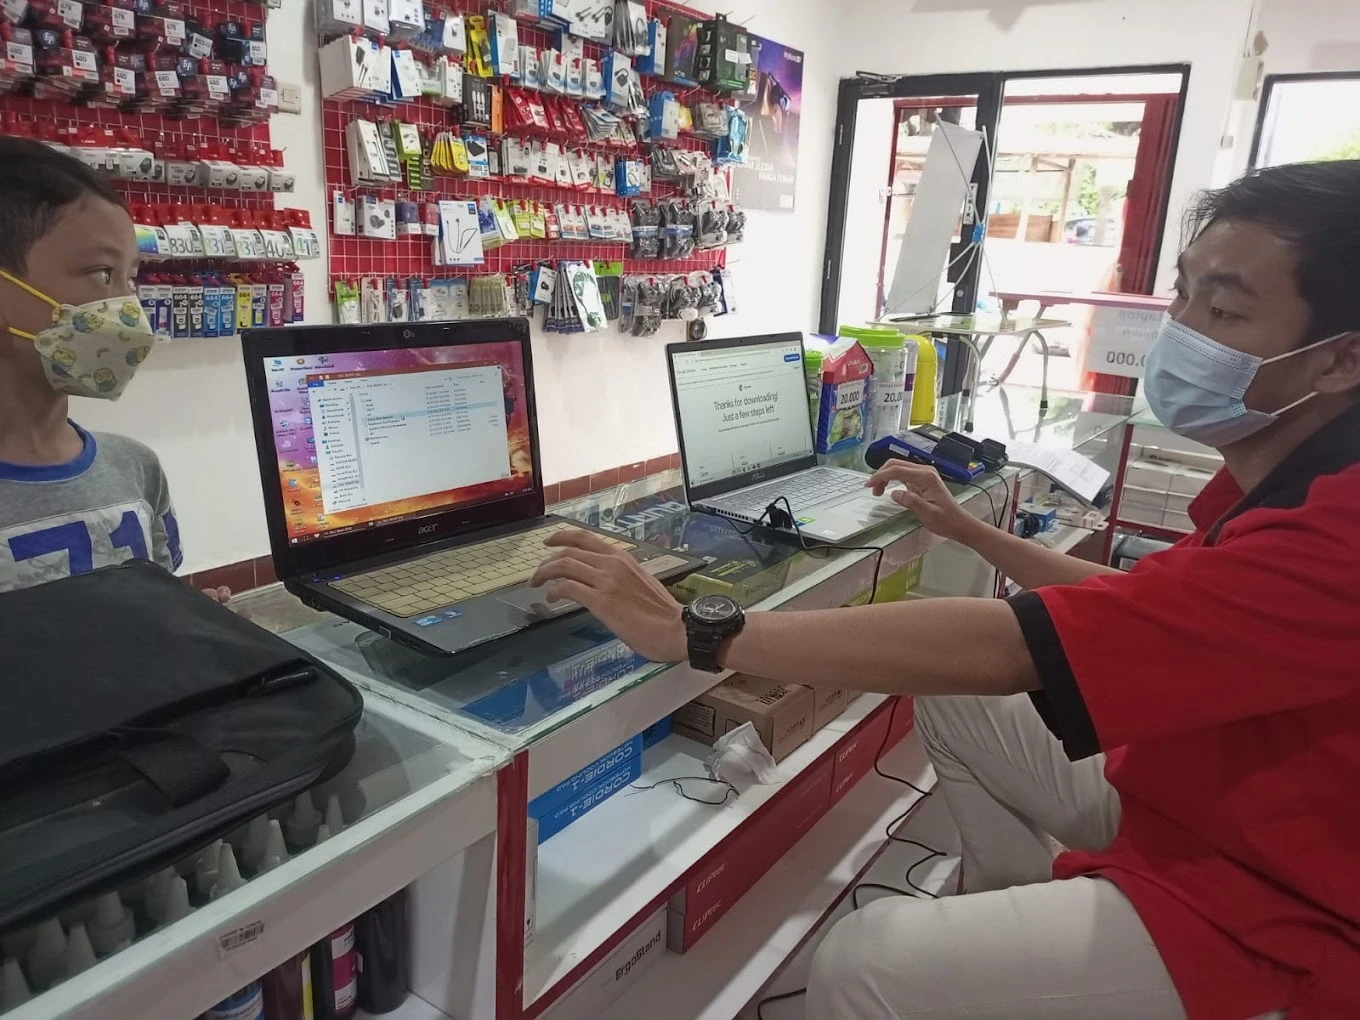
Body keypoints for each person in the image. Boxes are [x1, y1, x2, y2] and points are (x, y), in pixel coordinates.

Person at [531, 160, 1360, 1019]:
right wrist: (969, 530)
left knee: (866, 962)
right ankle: (1005, 923)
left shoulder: (1338, 535)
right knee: (956, 699)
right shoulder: (1294, 482)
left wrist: (698, 632)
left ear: (1341, 359)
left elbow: (1014, 646)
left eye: (1222, 312)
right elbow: (1142, 603)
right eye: (1181, 295)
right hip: (1197, 797)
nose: (1181, 332)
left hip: (1275, 907)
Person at [0, 137, 227, 599]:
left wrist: (191, 620)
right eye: (102, 274)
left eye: (131, 278)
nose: (128, 308)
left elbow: (156, 604)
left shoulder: (135, 467)